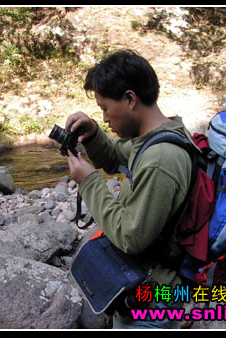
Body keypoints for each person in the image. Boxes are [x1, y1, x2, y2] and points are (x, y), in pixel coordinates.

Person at [65, 49, 194, 329]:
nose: (106, 118)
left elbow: (130, 236)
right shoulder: (160, 135)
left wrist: (88, 181)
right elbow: (115, 156)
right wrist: (93, 135)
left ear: (130, 99)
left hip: (156, 300)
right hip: (145, 287)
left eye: (105, 109)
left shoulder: (161, 159)